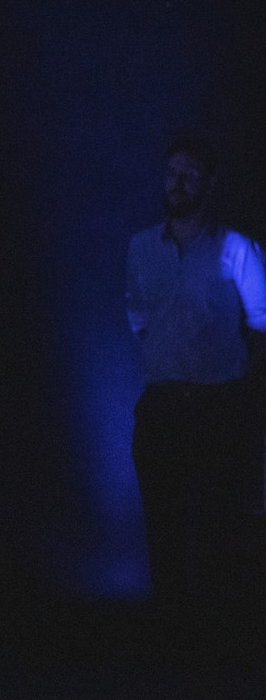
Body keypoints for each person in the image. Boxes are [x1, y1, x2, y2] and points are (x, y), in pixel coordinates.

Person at [125, 133, 266, 649]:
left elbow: (264, 322)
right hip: (162, 406)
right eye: (171, 172)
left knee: (214, 528)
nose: (177, 182)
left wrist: (238, 377)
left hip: (215, 406)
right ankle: (172, 640)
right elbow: (138, 314)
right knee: (162, 528)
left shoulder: (237, 248)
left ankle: (213, 643)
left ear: (209, 182)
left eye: (188, 173)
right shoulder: (142, 246)